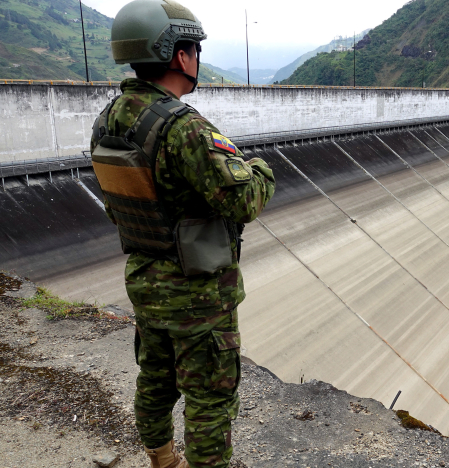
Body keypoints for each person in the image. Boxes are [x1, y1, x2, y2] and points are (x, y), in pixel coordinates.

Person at [90, 1, 275, 467]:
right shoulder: (183, 125)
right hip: (198, 295)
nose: (196, 58)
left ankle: (162, 458)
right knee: (210, 399)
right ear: (178, 54)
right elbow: (242, 200)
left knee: (154, 379)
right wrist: (260, 169)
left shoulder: (108, 120)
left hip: (146, 281)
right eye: (193, 48)